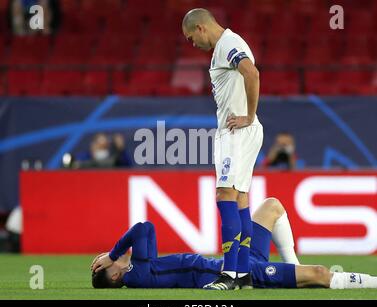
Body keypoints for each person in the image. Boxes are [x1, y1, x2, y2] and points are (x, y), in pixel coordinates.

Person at [91, 198, 377, 290]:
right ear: (115, 275)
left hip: (234, 261)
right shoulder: (138, 275)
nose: (111, 258)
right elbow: (143, 228)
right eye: (109, 263)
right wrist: (114, 252)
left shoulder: (145, 268)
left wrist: (115, 255)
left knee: (272, 206)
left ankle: (293, 268)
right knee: (320, 275)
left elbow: (146, 231)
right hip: (234, 273)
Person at [181, 8, 263, 289]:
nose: (193, 44)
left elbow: (251, 73)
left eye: (192, 38)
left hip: (236, 131)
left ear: (202, 28)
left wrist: (248, 116)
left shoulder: (228, 44)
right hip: (243, 131)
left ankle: (228, 274)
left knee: (225, 193)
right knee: (240, 198)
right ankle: (242, 275)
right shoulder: (227, 46)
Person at [68, 133, 132, 169]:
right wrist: (92, 154)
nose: (100, 147)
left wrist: (121, 150)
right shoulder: (85, 158)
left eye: (104, 146)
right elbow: (73, 164)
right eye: (98, 144)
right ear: (93, 144)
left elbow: (127, 165)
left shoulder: (115, 160)